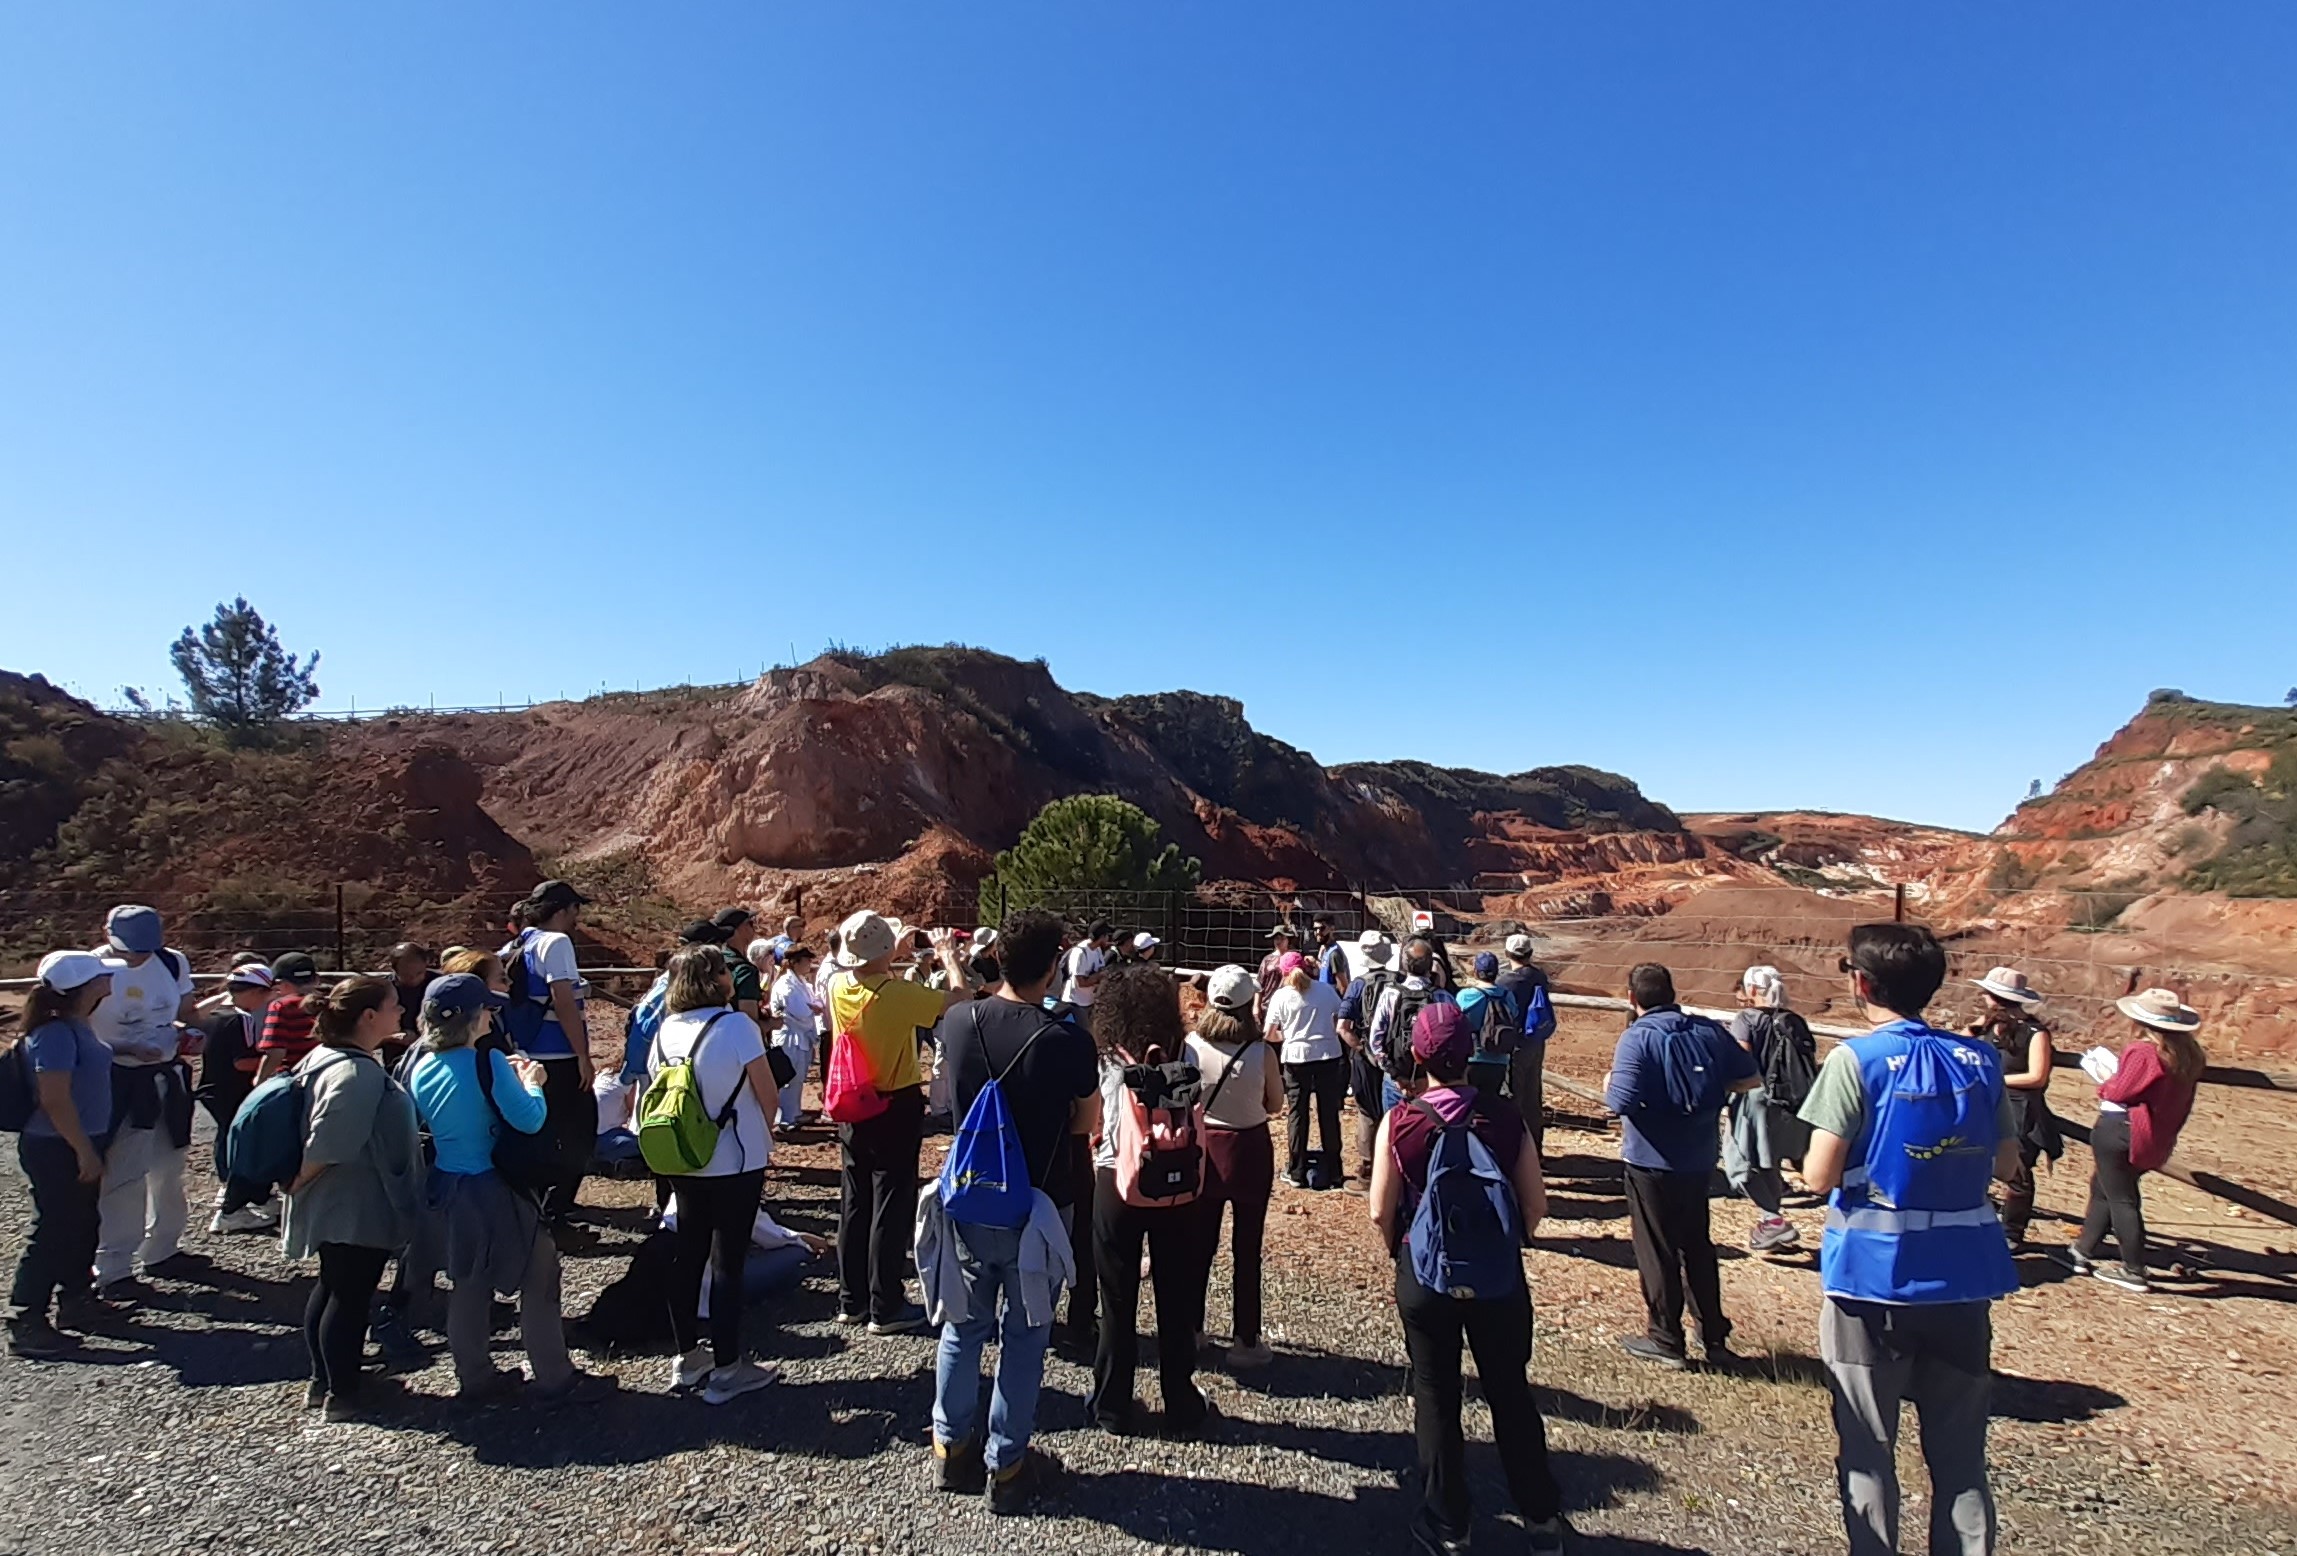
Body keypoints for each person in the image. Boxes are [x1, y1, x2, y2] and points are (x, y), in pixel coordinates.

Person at [1799, 923, 2021, 1556]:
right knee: (1961, 1458)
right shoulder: (1979, 1060)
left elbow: (1820, 1175)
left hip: (1873, 1282)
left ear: (1860, 983)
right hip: (1964, 1281)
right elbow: (2006, 1165)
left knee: (1869, 1450)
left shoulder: (1856, 1060)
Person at [1369, 1001, 1565, 1556]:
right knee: (1509, 1391)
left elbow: (1380, 1211)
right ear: (1472, 1048)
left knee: (1436, 1394)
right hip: (1497, 1274)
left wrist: (1399, 1253)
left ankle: (1449, 1523)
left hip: (1426, 1271)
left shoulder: (1401, 1121)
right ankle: (1541, 1518)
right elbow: (1536, 1204)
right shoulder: (1504, 1118)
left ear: (1417, 1054)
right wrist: (1508, 1242)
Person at [928, 909, 1099, 1514]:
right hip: (1040, 1203)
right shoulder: (1068, 1038)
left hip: (972, 1195)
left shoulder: (957, 1022)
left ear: (997, 958)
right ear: (1054, 966)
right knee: (1026, 1337)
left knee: (963, 1325)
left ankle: (950, 1449)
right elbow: (1087, 1122)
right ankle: (1008, 1464)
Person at [404, 973, 609, 1406]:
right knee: (540, 1277)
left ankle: (474, 1377)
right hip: (496, 1185)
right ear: (472, 1017)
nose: (493, 1014)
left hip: (449, 1183)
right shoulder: (488, 1061)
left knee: (468, 1282)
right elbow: (530, 1118)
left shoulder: (421, 1064)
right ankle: (554, 1376)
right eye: (487, 1009)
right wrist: (532, 1080)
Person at [281, 976, 425, 1421]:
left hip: (336, 1197)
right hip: (355, 1201)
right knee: (351, 1295)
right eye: (393, 1006)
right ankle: (343, 1393)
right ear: (368, 1017)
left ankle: (324, 1379)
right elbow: (331, 1140)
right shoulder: (357, 1073)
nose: (400, 1012)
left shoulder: (323, 1057)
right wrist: (299, 1180)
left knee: (333, 1286)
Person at [1604, 962, 1759, 1368]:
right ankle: (1714, 1337)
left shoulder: (1637, 1039)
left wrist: (1609, 1084)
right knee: (1697, 1246)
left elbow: (1618, 1101)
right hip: (1699, 1157)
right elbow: (1749, 1075)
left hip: (1649, 1159)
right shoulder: (1706, 1031)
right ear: (1672, 993)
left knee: (1657, 1248)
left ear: (1632, 998)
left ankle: (1666, 1338)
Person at [647, 945, 785, 1403]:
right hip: (734, 1158)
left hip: (684, 1157)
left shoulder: (667, 1029)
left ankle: (688, 1356)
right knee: (728, 1261)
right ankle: (729, 1367)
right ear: (714, 979)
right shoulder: (736, 1026)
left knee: (689, 1253)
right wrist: (767, 1134)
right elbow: (767, 1092)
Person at [826, 911, 973, 1333]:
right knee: (891, 1201)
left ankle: (851, 1298)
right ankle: (884, 1304)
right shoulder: (897, 994)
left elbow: (853, 966)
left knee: (855, 1200)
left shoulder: (838, 986)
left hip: (853, 1101)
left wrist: (891, 949)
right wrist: (948, 957)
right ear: (885, 951)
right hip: (894, 1101)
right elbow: (957, 999)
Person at [1087, 962, 1212, 1438]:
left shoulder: (1106, 1060)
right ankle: (1181, 1400)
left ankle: (1113, 1404)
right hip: (1176, 1178)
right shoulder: (1188, 1055)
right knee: (1176, 1293)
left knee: (1117, 1297)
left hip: (1117, 1179)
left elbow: (1092, 1118)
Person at [6, 952, 118, 1358]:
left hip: (76, 1140)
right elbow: (54, 1098)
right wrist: (84, 1150)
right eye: (102, 977)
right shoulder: (54, 1033)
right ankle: (26, 1319)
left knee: (81, 1221)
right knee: (53, 1228)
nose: (109, 980)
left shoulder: (74, 1025)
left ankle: (76, 1299)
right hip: (58, 1145)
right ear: (85, 988)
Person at [2058, 988, 2206, 1294]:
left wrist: (2104, 1077)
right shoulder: (2187, 1056)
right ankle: (2082, 1252)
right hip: (2155, 1135)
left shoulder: (2144, 1052)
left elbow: (2117, 1092)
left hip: (2122, 1129)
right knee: (2104, 1188)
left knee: (2122, 1199)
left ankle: (2134, 1269)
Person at [87, 904, 201, 1296]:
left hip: (164, 1076)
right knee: (124, 1175)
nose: (136, 956)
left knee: (168, 1168)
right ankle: (114, 1267)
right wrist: (125, 1045)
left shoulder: (171, 963)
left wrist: (188, 1033)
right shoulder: (93, 971)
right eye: (129, 949)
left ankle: (163, 1248)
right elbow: (77, 1034)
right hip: (117, 1080)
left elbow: (184, 1012)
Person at [1186, 965, 1284, 1367]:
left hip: (1205, 1148)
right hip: (1249, 1149)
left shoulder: (1191, 1045)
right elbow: (1275, 1105)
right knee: (1248, 1248)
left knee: (1198, 1245)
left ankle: (1191, 1327)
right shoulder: (1262, 1052)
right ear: (1249, 1004)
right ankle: (1246, 1338)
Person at [503, 879, 597, 1224]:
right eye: (575, 909)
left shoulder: (517, 943)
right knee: (579, 1131)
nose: (577, 917)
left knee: (541, 1128)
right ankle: (557, 1204)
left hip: (526, 1053)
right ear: (561, 911)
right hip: (559, 1055)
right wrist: (583, 1055)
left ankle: (536, 1202)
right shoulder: (556, 943)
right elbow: (563, 999)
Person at [1964, 967, 2061, 1249]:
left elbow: (2037, 1076)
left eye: (1987, 993)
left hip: (2019, 1109)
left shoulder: (2035, 1032)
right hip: (1984, 1104)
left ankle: (2012, 1233)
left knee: (2018, 1173)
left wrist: (1994, 1078)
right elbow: (1958, 1044)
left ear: (1995, 997)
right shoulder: (1985, 1025)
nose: (1982, 996)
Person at [1725, 965, 1815, 1254]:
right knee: (1771, 1161)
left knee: (1740, 1163)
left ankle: (1772, 1220)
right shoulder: (1795, 1021)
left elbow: (1740, 1062)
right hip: (1794, 1103)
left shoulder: (1746, 1019)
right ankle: (1772, 1221)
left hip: (1755, 1102)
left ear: (1752, 990)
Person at [200, 963, 282, 1233]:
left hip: (213, 1088)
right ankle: (232, 1207)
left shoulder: (216, 1014)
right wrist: (275, 1062)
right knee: (244, 1146)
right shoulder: (242, 1019)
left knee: (227, 1140)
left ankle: (251, 1196)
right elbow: (241, 1061)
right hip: (232, 1090)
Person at [1264, 956, 1346, 1190]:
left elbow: (1269, 1033)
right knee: (1329, 1113)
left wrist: (1288, 1037)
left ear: (1284, 973)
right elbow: (1340, 1016)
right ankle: (1335, 1171)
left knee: (1297, 1114)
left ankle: (1297, 1170)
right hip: (1328, 1054)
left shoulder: (1281, 996)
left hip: (1296, 1058)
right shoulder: (1325, 990)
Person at [1367, 938, 1456, 1118]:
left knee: (1393, 1136)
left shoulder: (1390, 994)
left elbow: (1375, 1041)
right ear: (1431, 964)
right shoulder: (1443, 998)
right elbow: (1453, 1040)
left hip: (1396, 1082)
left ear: (1404, 963)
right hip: (1431, 1083)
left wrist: (1395, 1075)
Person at [1338, 930, 1398, 1182]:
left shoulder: (1358, 984)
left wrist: (1361, 1048)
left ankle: (1367, 1167)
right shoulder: (1401, 981)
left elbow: (1342, 1027)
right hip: (1395, 1055)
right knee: (1394, 1110)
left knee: (1366, 1110)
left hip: (1366, 1056)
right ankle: (1393, 1162)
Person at [1494, 933, 1554, 1153]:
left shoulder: (1507, 982)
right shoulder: (1539, 976)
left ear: (1508, 953)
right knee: (1532, 1094)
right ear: (1530, 953)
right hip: (1535, 1042)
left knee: (1514, 1096)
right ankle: (1535, 1148)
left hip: (1516, 1044)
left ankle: (1517, 1150)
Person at [1452, 952, 1520, 1097]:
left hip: (1472, 1059)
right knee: (1492, 1102)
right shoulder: (1507, 996)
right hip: (1499, 1059)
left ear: (1476, 971)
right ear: (1497, 972)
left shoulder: (1465, 996)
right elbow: (1514, 1016)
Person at [769, 944, 822, 1129]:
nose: (809, 963)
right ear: (794, 962)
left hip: (801, 1035)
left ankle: (794, 1112)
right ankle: (784, 1118)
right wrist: (813, 1009)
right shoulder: (786, 985)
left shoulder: (800, 982)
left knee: (798, 1077)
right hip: (789, 1036)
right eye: (806, 960)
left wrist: (814, 1007)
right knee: (788, 1078)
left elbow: (814, 1002)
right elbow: (800, 1011)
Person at [252, 951, 325, 1084]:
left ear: (283, 984)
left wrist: (260, 1080)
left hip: (294, 1078)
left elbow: (276, 1052)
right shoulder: (328, 1003)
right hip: (325, 1073)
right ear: (317, 979)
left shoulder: (282, 1006)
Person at [1059, 920, 1112, 1035]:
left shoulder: (1097, 950)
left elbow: (1101, 970)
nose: (1108, 939)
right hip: (1077, 1003)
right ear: (1102, 937)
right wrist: (1098, 976)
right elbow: (1081, 982)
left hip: (1090, 1001)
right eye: (1107, 936)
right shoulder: (1080, 953)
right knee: (1086, 1034)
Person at [714, 907, 766, 1022]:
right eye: (750, 923)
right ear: (738, 930)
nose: (753, 928)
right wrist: (772, 1024)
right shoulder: (745, 970)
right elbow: (750, 1022)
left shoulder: (716, 959)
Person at [386, 942, 435, 1052]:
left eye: (419, 973)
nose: (414, 979)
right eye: (407, 975)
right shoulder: (383, 990)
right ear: (394, 970)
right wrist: (392, 1037)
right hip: (396, 1054)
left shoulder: (437, 985)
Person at [1254, 923, 1298, 1021]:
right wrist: (1256, 1006)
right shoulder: (1267, 960)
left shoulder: (1294, 959)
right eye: (1276, 938)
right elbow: (1259, 985)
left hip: (1288, 1005)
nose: (1279, 941)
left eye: (1282, 938)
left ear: (1288, 940)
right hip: (1267, 1005)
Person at [1309, 916, 1351, 990]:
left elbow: (1343, 987)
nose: (1318, 932)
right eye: (1315, 929)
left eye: (1322, 928)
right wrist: (1316, 963)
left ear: (1332, 929)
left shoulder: (1334, 953)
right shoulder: (1325, 949)